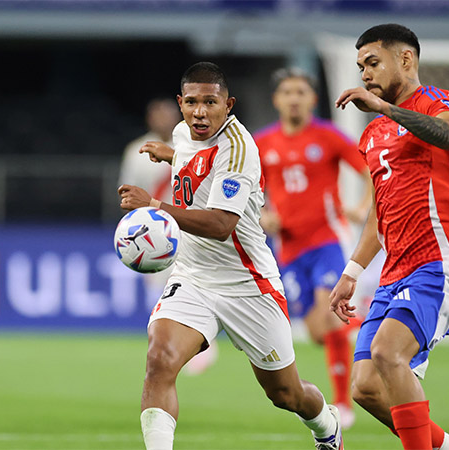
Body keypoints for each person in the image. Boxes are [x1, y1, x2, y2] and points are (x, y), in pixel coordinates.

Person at [118, 62, 344, 450]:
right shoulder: (183, 134)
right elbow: (198, 162)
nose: (200, 111)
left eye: (211, 102)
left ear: (229, 105)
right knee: (159, 360)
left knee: (286, 394)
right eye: (191, 102)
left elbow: (221, 224)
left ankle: (327, 425)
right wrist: (173, 156)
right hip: (192, 277)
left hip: (247, 285)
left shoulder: (240, 149)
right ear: (180, 103)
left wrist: (155, 204)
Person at [329, 24, 449, 450]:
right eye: (360, 67)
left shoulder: (436, 102)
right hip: (394, 274)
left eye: (373, 63)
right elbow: (380, 212)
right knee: (365, 387)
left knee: (388, 354)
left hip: (440, 263)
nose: (365, 74)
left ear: (406, 59)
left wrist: (384, 107)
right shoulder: (372, 135)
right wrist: (353, 271)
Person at [255, 67, 371, 428]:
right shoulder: (262, 143)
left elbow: (370, 169)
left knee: (331, 314)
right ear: (276, 99)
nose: (293, 98)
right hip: (288, 250)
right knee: (320, 332)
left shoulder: (329, 137)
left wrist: (365, 206)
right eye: (287, 92)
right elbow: (248, 190)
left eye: (300, 92)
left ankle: (342, 403)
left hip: (327, 240)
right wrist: (262, 214)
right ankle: (373, 321)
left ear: (312, 99)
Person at [119, 97, 218, 376]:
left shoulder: (194, 145)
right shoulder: (135, 150)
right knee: (159, 290)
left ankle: (201, 340)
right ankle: (168, 342)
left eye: (167, 114)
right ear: (150, 118)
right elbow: (127, 192)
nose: (162, 119)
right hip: (153, 232)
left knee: (197, 283)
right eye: (157, 114)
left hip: (189, 226)